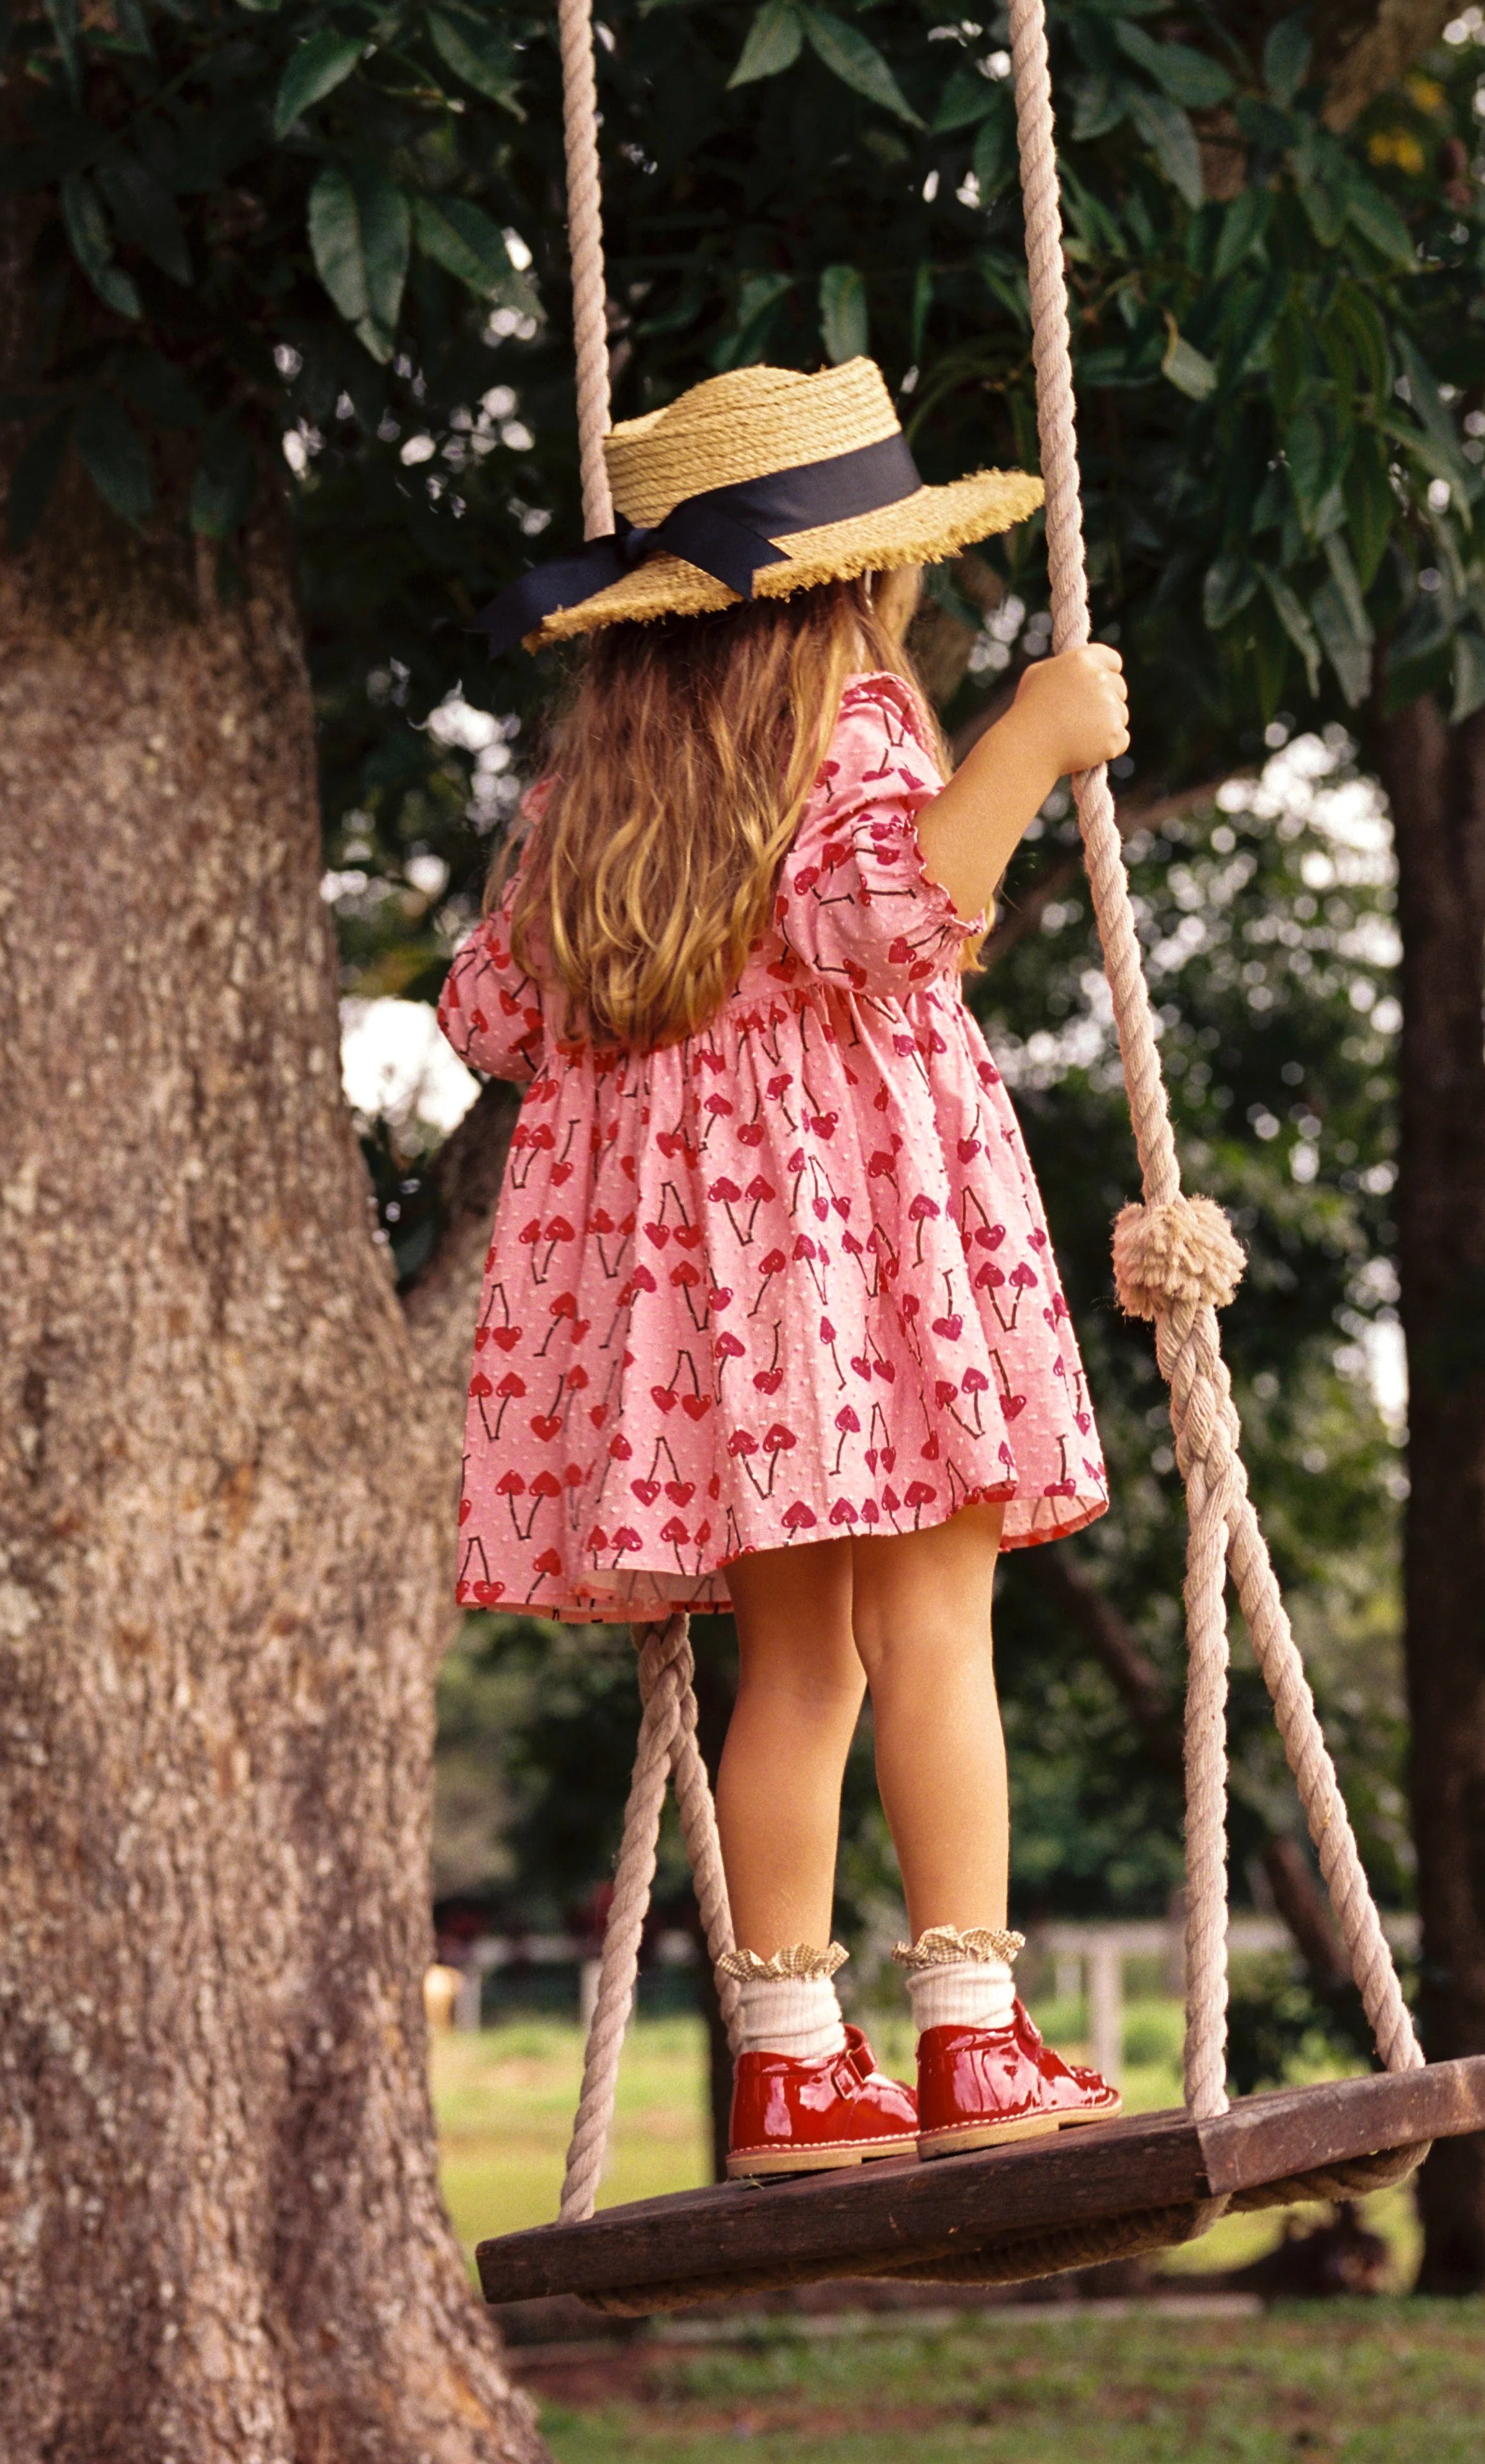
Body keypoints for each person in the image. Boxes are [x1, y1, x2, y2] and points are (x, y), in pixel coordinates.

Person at [440, 359, 1129, 2176]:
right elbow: (898, 913)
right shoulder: (866, 726)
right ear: (861, 579)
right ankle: (972, 2032)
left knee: (799, 1670)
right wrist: (1032, 742)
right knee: (934, 1629)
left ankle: (791, 2059)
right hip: (866, 1262)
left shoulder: (596, 796)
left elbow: (487, 1008)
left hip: (710, 1328)